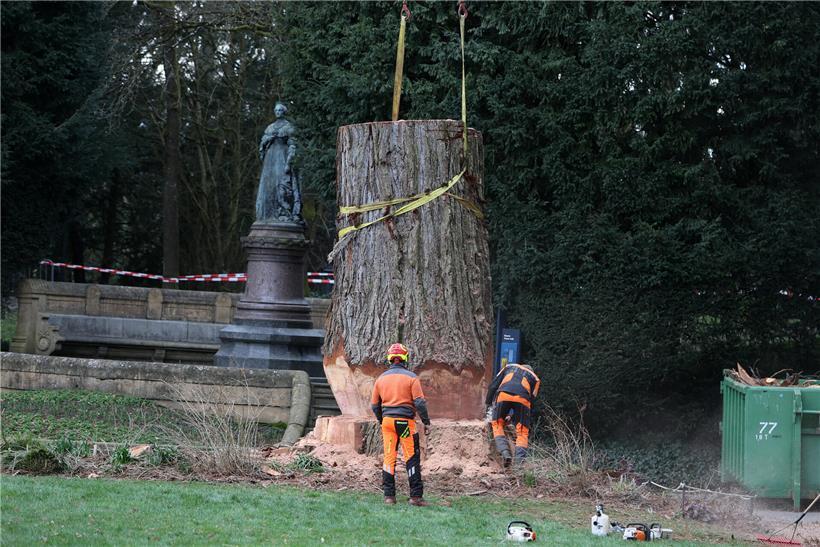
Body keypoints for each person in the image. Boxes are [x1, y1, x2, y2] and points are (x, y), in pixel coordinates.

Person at [370, 343, 431, 506]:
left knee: (389, 457)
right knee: (411, 457)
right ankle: (415, 497)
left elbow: (374, 405)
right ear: (405, 358)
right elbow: (419, 403)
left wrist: (381, 419)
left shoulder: (380, 379)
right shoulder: (411, 377)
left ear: (389, 359)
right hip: (404, 423)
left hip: (388, 423)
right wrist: (425, 421)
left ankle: (389, 497)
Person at [485, 362, 540, 467]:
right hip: (523, 399)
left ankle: (505, 453)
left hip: (503, 394)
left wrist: (488, 405)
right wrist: (514, 416)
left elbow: (493, 386)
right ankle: (519, 464)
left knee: (497, 423)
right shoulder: (535, 378)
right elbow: (529, 402)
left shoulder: (509, 367)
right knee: (522, 432)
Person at [256, 102, 302, 222]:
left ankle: (284, 212)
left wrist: (289, 162)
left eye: (280, 110)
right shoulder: (270, 128)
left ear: (284, 112)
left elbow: (293, 145)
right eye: (276, 110)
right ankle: (268, 214)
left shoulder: (289, 127)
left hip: (282, 157)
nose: (278, 112)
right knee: (269, 184)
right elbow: (262, 144)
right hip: (270, 160)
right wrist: (267, 140)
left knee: (282, 184)